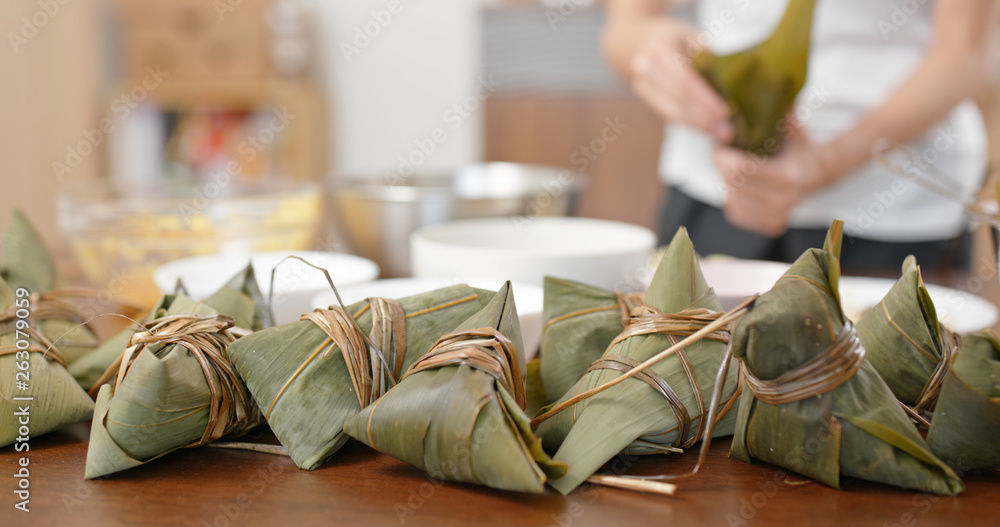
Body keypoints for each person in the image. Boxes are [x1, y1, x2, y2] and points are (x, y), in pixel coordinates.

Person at [602, 0, 997, 269]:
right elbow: (627, 27)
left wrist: (827, 163)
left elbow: (965, 56)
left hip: (895, 213)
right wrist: (654, 52)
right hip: (711, 192)